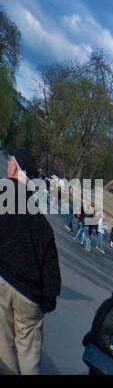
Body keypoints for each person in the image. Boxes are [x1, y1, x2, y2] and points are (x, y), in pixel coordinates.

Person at [0, 150, 61, 375]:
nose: (7, 165)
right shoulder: (41, 222)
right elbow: (51, 265)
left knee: (3, 343)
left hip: (4, 278)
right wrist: (48, 300)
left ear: (15, 169)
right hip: (31, 295)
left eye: (9, 162)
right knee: (29, 352)